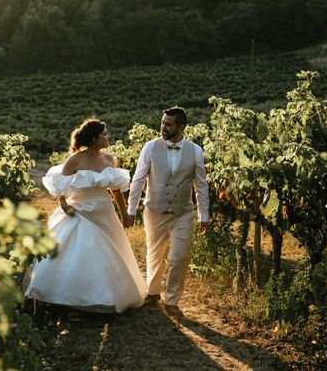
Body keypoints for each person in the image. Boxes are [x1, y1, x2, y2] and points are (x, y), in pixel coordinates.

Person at [25, 118, 146, 313]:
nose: (108, 137)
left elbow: (115, 190)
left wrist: (124, 214)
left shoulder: (109, 159)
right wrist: (64, 205)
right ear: (93, 139)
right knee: (83, 249)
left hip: (104, 211)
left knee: (110, 253)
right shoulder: (75, 160)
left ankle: (106, 295)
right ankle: (70, 296)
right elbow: (60, 186)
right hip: (80, 210)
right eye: (104, 134)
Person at [125, 107, 209, 314]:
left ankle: (172, 301)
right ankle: (153, 292)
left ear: (181, 127)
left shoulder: (196, 151)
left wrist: (203, 216)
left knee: (179, 256)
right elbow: (138, 179)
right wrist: (131, 209)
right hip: (154, 210)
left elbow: (201, 185)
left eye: (168, 124)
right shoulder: (150, 147)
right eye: (162, 122)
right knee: (154, 253)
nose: (162, 127)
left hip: (183, 212)